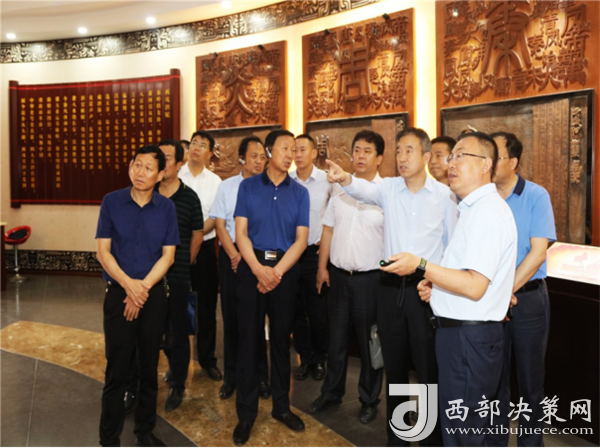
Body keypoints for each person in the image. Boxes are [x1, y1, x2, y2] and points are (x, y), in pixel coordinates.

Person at [375, 132, 517, 446]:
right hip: (464, 336)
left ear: (485, 165)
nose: (451, 163)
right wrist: (437, 287)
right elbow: (466, 274)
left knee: (465, 434)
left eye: (460, 156)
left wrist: (420, 265)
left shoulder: (487, 213)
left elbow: (475, 286)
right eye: (451, 157)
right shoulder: (472, 209)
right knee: (471, 432)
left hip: (469, 340)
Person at [325, 128, 457, 445]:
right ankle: (397, 438)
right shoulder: (388, 189)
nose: (402, 157)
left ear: (426, 156)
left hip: (425, 290)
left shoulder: (444, 196)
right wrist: (344, 178)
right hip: (388, 289)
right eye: (399, 151)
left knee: (427, 369)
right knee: (394, 368)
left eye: (409, 150)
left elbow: (452, 247)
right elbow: (362, 191)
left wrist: (437, 282)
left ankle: (429, 439)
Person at [96, 145, 179, 447]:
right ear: (130, 167)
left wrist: (141, 289)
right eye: (137, 165)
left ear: (160, 175)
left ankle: (144, 431)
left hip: (152, 296)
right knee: (116, 369)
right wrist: (129, 285)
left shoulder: (166, 208)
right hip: (118, 295)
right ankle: (109, 437)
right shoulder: (112, 201)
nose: (141, 172)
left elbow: (168, 256)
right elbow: (103, 252)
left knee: (148, 367)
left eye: (148, 168)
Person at [232, 129, 309, 445]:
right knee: (249, 342)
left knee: (280, 341)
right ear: (268, 151)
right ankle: (246, 414)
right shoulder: (247, 187)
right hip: (252, 267)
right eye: (285, 148)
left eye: (294, 149)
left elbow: (301, 240)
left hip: (284, 271)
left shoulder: (300, 192)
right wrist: (258, 270)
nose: (291, 154)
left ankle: (281, 407)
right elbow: (240, 233)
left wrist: (275, 273)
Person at [310, 130, 385, 425]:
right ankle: (331, 392)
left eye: (367, 151)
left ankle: (369, 399)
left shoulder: (386, 193)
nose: (361, 156)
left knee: (370, 344)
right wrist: (322, 267)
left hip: (371, 281)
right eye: (357, 150)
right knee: (336, 341)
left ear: (379, 158)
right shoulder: (339, 188)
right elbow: (328, 228)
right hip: (339, 278)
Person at [489, 131, 556, 447]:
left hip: (527, 300)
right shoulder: (483, 198)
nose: (489, 162)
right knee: (494, 381)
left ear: (513, 162)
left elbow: (538, 252)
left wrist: (505, 292)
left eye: (496, 156)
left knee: (530, 383)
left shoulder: (536, 196)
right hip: (490, 301)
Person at [209, 136, 271, 401]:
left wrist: (248, 257)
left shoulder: (270, 187)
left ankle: (261, 377)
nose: (259, 161)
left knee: (256, 320)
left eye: (262, 156)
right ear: (242, 158)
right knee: (232, 319)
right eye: (254, 156)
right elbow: (220, 226)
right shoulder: (227, 187)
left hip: (258, 258)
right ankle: (231, 377)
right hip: (231, 256)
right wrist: (235, 255)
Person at [156, 139, 204, 411]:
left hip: (177, 277)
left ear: (178, 163)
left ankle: (178, 385)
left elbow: (197, 236)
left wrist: (185, 263)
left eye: (166, 157)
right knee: (151, 332)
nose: (161, 162)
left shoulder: (189, 197)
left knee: (178, 332)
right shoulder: (148, 193)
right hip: (148, 280)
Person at [179, 130, 223, 381]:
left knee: (206, 307)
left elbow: (215, 217)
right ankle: (176, 362)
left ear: (210, 153)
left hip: (205, 249)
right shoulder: (175, 175)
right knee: (176, 306)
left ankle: (207, 360)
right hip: (176, 249)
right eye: (193, 143)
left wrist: (196, 235)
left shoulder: (215, 182)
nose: (195, 147)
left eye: (202, 145)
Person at [290, 134, 332, 382]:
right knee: (296, 311)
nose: (297, 154)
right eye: (294, 149)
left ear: (314, 153)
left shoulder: (327, 181)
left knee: (317, 312)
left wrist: (327, 251)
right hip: (290, 254)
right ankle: (305, 358)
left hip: (315, 254)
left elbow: (335, 217)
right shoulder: (287, 181)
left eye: (302, 149)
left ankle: (320, 358)